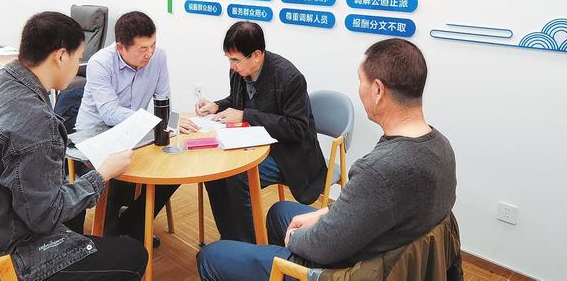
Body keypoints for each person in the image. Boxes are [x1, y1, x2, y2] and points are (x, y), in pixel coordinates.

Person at [196, 38, 457, 280]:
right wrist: (327, 212)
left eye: (361, 81)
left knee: (211, 256)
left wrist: (295, 239)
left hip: (341, 270)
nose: (360, 89)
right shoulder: (440, 147)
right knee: (279, 212)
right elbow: (368, 209)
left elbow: (324, 246)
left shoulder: (378, 171)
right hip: (378, 245)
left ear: (377, 90)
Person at [0, 11, 146, 281]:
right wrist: (102, 174)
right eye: (78, 58)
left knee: (73, 220)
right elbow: (45, 216)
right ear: (61, 56)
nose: (78, 66)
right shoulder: (34, 119)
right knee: (133, 255)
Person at [190, 21, 327, 243]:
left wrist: (246, 116)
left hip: (288, 154)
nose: (232, 66)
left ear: (256, 55)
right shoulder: (239, 71)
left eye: (236, 60)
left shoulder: (289, 78)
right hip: (255, 144)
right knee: (214, 174)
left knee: (238, 176)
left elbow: (297, 128)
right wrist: (217, 105)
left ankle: (250, 246)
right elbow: (238, 101)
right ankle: (232, 240)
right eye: (229, 59)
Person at [75, 11, 190, 243]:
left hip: (135, 133)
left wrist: (170, 121)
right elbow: (109, 113)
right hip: (94, 136)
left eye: (153, 45)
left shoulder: (158, 57)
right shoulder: (100, 63)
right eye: (143, 48)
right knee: (119, 171)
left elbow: (163, 100)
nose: (150, 53)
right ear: (121, 47)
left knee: (174, 166)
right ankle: (109, 236)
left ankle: (134, 222)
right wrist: (156, 121)